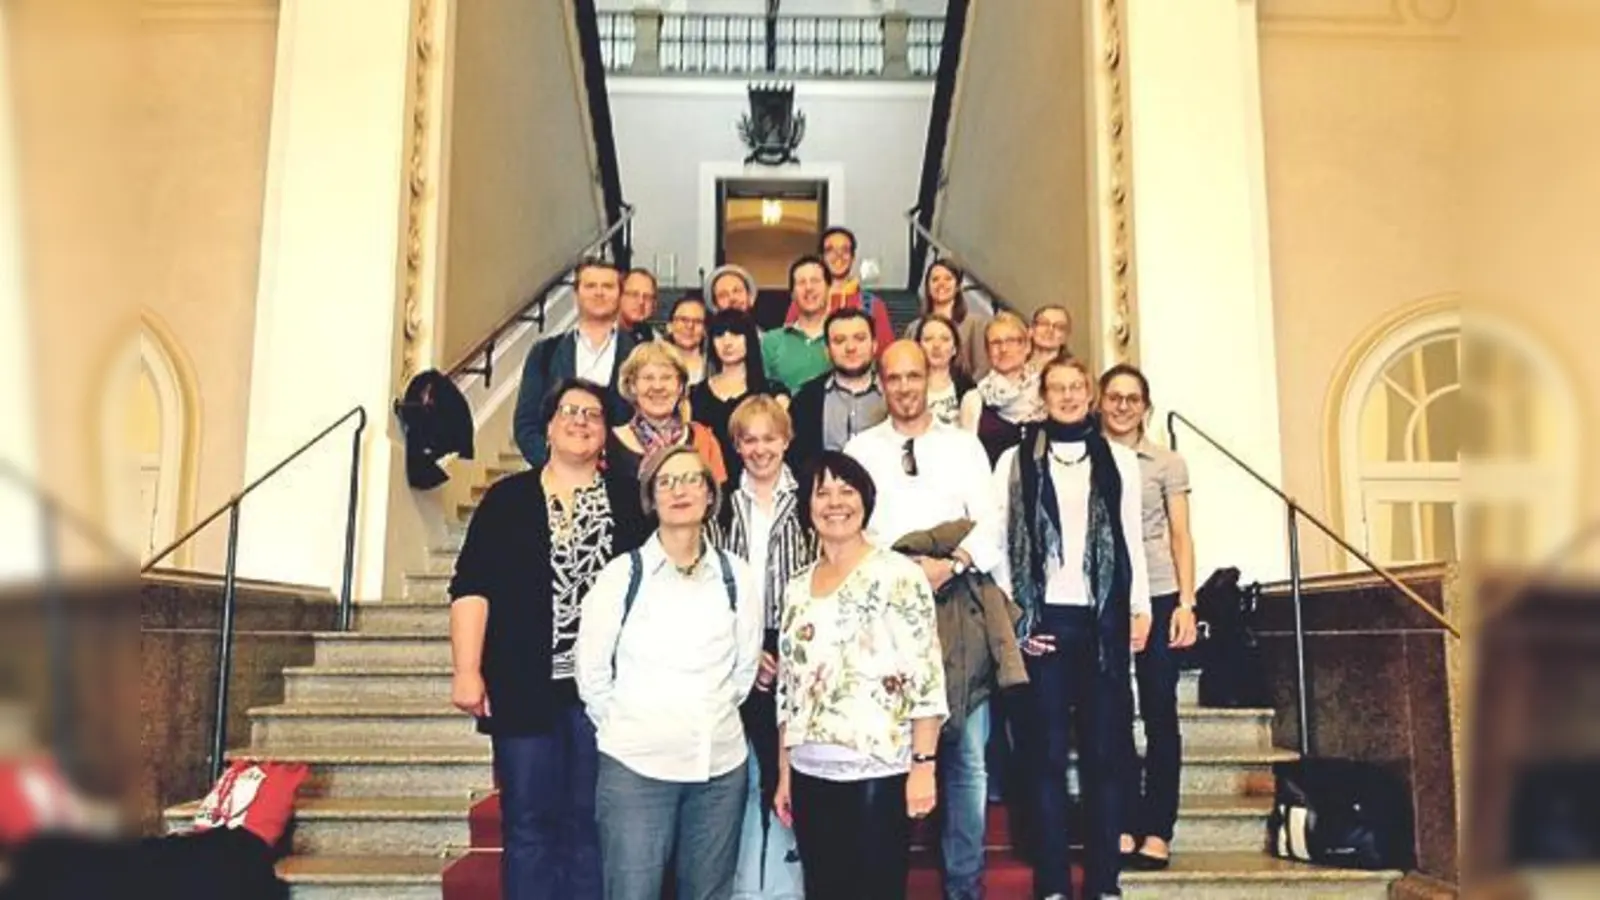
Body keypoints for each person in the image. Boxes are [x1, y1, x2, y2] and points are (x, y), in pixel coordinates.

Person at [448, 379, 652, 900]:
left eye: (593, 414)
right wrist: (466, 670)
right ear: (548, 427)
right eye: (569, 411)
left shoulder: (630, 500)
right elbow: (472, 585)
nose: (580, 421)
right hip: (522, 686)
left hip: (605, 694)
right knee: (529, 823)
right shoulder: (508, 499)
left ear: (606, 433)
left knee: (591, 824)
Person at [843, 340, 1021, 900]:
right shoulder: (861, 448)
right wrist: (902, 570)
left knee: (966, 759)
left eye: (913, 376)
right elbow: (851, 524)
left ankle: (964, 888)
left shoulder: (963, 446)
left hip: (958, 604)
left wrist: (952, 563)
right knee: (892, 755)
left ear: (930, 380)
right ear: (881, 383)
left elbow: (991, 520)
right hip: (885, 612)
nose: (904, 387)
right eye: (893, 378)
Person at [993, 358, 1152, 900]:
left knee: (1106, 758)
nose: (1066, 396)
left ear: (1090, 395)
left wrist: (1140, 607)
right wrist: (1017, 618)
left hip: (1102, 622)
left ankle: (1104, 882)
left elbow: (1129, 539)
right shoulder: (1014, 461)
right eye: (1056, 388)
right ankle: (1054, 884)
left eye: (1076, 387)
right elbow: (1001, 544)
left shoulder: (1121, 461)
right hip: (1045, 622)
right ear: (1043, 397)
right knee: (1046, 760)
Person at [575, 445, 764, 900]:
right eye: (666, 482)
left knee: (710, 893)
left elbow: (743, 671)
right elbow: (593, 675)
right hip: (637, 769)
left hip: (719, 770)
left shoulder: (736, 576)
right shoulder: (622, 576)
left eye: (692, 479)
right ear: (651, 497)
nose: (680, 491)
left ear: (710, 494)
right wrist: (634, 727)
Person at [774, 451, 947, 900]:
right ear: (807, 506)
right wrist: (785, 771)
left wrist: (923, 766)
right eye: (823, 492)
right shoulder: (796, 586)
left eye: (847, 491)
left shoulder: (898, 574)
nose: (835, 502)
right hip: (810, 768)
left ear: (866, 501)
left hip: (878, 769)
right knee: (823, 890)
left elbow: (926, 675)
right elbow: (789, 689)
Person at [708, 396, 818, 898]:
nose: (760, 449)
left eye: (769, 438)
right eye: (749, 440)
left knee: (792, 772)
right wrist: (746, 653)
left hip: (800, 644)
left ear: (786, 440)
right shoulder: (720, 507)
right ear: (736, 445)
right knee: (745, 772)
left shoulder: (811, 501)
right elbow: (711, 583)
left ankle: (790, 886)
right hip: (736, 647)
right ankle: (746, 886)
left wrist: (789, 650)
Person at [1099, 363, 1199, 871]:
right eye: (1114, 397)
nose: (1122, 406)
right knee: (1112, 710)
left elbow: (1181, 534)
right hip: (1106, 596)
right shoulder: (1086, 455)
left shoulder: (1166, 462)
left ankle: (1158, 828)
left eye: (1132, 398)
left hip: (1159, 593)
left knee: (1160, 710)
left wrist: (1186, 602)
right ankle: (1120, 821)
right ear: (1100, 402)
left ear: (1145, 407)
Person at [513, 259, 642, 465]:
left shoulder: (640, 354)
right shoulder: (545, 353)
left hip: (621, 475)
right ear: (576, 294)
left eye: (608, 286)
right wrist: (556, 464)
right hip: (556, 474)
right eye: (590, 286)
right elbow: (526, 425)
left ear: (620, 294)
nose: (599, 293)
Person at [606, 342, 727, 486]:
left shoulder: (704, 439)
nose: (657, 387)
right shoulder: (608, 444)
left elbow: (719, 496)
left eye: (666, 377)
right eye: (648, 378)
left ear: (680, 386)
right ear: (632, 386)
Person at [690, 308, 789, 484]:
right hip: (708, 486)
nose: (727, 342)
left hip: (759, 485)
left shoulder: (773, 393)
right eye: (719, 335)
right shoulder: (695, 395)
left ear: (749, 338)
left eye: (736, 334)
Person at [785, 307, 886, 468]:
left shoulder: (893, 393)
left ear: (874, 345)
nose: (850, 347)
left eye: (859, 339)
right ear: (827, 351)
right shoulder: (805, 400)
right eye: (839, 340)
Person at [784, 226, 896, 348]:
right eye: (830, 250)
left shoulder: (873, 306)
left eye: (845, 250)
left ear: (852, 257)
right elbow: (788, 346)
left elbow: (886, 352)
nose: (838, 255)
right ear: (821, 257)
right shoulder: (804, 302)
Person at [960, 312, 1043, 465]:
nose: (1003, 349)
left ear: (1027, 346)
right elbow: (967, 458)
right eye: (995, 343)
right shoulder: (973, 400)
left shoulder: (1044, 394)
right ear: (987, 351)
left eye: (1011, 341)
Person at [905, 259, 991, 378]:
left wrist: (966, 388)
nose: (941, 283)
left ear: (957, 286)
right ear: (928, 287)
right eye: (935, 279)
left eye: (948, 279)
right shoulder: (913, 328)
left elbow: (982, 368)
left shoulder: (976, 325)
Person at [761, 256, 832, 394]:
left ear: (828, 288)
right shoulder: (771, 341)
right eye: (801, 282)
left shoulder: (842, 339)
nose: (809, 288)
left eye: (815, 281)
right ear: (792, 294)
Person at [910, 314, 975, 427]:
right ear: (918, 346)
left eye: (945, 339)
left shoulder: (968, 389)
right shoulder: (906, 387)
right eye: (928, 339)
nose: (936, 345)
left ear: (954, 349)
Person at [666, 294, 710, 385]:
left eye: (697, 321)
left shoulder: (715, 368)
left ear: (705, 330)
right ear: (669, 326)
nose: (690, 326)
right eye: (683, 320)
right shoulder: (654, 363)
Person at [620, 268, 661, 345]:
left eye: (647, 297)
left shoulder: (654, 339)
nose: (641, 302)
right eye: (634, 295)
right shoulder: (604, 334)